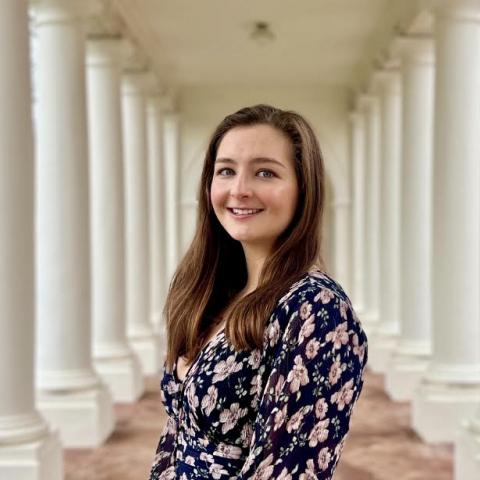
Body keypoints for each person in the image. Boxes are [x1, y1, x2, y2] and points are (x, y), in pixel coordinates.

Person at [149, 104, 368, 480]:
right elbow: (176, 438)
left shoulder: (316, 309)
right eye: (226, 171)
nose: (239, 189)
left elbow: (291, 472)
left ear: (303, 188)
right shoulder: (212, 293)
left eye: (265, 172)